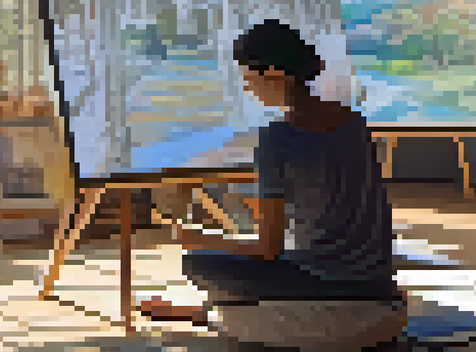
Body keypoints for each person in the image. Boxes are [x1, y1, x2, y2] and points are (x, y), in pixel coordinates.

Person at [140, 19, 400, 325]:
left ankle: (207, 314)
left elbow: (267, 249)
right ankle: (214, 311)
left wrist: (202, 238)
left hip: (323, 287)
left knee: (197, 263)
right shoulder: (354, 121)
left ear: (274, 74)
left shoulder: (277, 138)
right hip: (378, 286)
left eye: (248, 79)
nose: (248, 89)